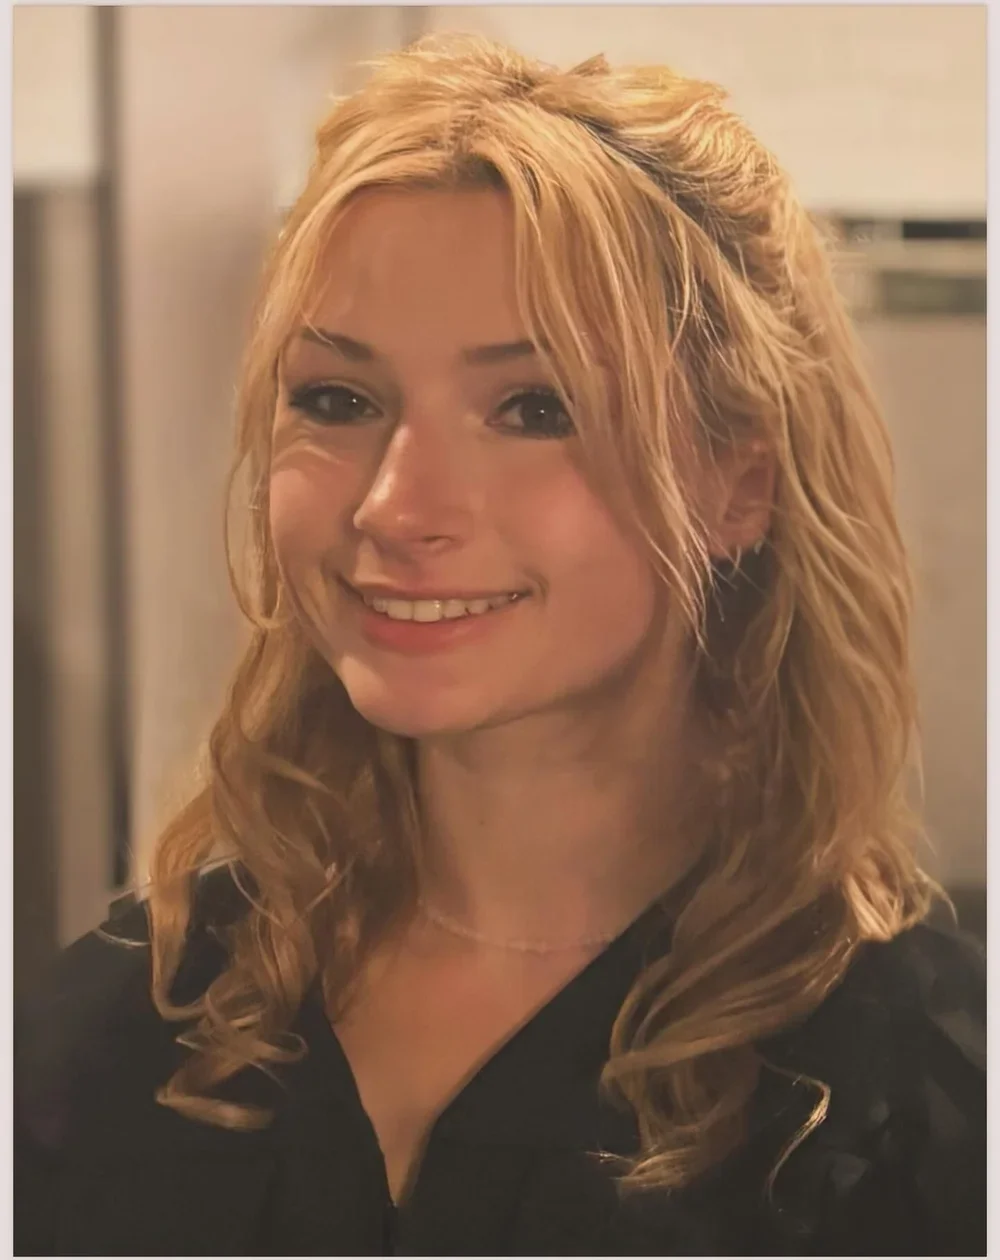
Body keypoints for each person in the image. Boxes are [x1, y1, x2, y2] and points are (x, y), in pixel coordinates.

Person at [15, 33, 985, 1257]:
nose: (394, 508)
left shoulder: (918, 1108)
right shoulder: (123, 1025)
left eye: (534, 409)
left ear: (738, 485)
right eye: (338, 400)